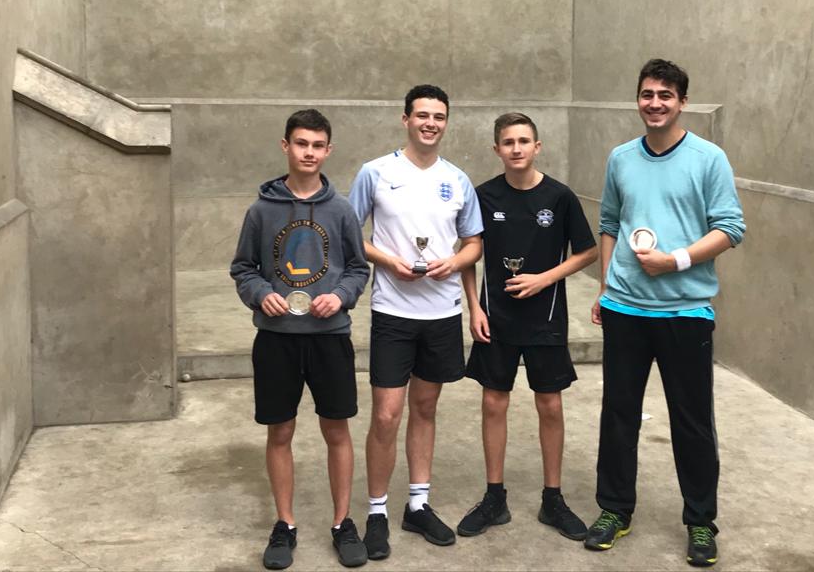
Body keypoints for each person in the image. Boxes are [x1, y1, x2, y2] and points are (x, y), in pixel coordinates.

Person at [585, 59, 745, 568]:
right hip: (625, 310)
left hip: (685, 312)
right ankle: (614, 510)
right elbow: (609, 221)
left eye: (665, 95)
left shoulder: (708, 158)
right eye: (647, 94)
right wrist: (608, 285)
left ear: (682, 102)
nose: (655, 103)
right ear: (638, 99)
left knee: (692, 422)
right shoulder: (620, 158)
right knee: (619, 415)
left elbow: (730, 228)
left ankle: (700, 522)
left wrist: (675, 260)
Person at [230, 109, 371, 570]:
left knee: (337, 429)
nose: (308, 152)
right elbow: (243, 268)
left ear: (328, 151)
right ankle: (285, 524)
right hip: (276, 339)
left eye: (317, 145)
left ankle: (342, 522)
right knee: (281, 430)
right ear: (285, 146)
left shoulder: (341, 209)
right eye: (300, 143)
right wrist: (262, 294)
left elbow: (357, 267)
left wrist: (341, 297)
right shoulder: (261, 210)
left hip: (329, 337)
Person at [348, 84, 483, 560]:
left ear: (446, 122)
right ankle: (378, 511)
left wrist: (453, 262)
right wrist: (387, 261)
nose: (430, 122)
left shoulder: (458, 180)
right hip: (392, 313)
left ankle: (418, 505)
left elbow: (473, 244)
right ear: (405, 119)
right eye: (422, 114)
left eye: (439, 116)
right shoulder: (376, 172)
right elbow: (351, 234)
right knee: (386, 414)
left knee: (425, 409)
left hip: (443, 314)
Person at [456, 112, 598, 541]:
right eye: (507, 142)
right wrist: (473, 308)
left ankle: (552, 499)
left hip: (545, 319)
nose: (516, 148)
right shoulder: (483, 196)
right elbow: (467, 253)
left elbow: (587, 252)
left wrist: (545, 277)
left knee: (550, 405)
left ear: (537, 147)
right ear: (497, 149)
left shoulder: (560, 197)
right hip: (495, 320)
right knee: (494, 403)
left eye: (524, 141)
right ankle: (494, 497)